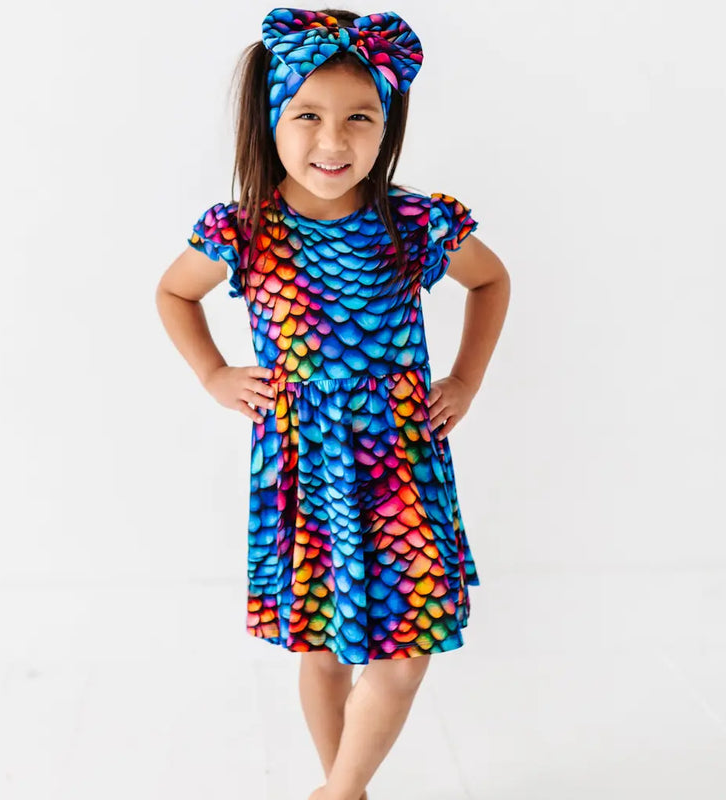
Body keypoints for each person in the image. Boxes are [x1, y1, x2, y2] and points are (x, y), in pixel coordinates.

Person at [155, 7, 510, 800]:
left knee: (404, 655)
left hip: (400, 463)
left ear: (387, 126)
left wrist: (464, 380)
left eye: (360, 118)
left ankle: (338, 793)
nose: (334, 139)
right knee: (321, 648)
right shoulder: (243, 231)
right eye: (308, 115)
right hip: (306, 467)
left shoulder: (416, 222)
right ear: (269, 118)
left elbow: (490, 280)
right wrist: (215, 374)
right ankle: (345, 789)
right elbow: (174, 293)